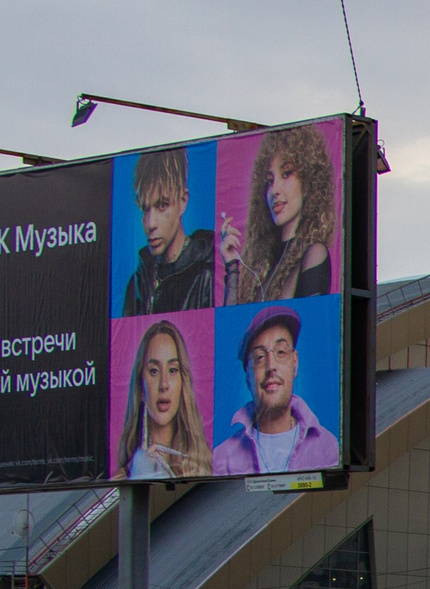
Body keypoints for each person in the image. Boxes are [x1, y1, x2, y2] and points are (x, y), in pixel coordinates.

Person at [210, 309, 341, 475]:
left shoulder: (327, 446)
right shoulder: (222, 458)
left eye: (280, 352)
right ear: (248, 377)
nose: (271, 366)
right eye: (259, 357)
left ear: (295, 363)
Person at [219, 123, 337, 303]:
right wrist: (231, 266)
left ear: (308, 182)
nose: (275, 190)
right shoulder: (260, 263)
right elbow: (230, 326)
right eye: (269, 181)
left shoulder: (313, 253)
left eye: (286, 174)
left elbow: (310, 326)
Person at [122, 148, 218, 313]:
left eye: (162, 205)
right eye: (145, 209)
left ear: (183, 201)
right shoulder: (138, 283)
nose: (151, 223)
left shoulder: (207, 275)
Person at [119, 320, 213, 479]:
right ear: (141, 387)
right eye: (154, 371)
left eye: (172, 370)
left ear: (183, 382)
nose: (164, 384)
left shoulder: (208, 466)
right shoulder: (124, 476)